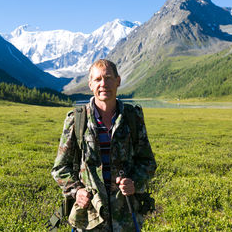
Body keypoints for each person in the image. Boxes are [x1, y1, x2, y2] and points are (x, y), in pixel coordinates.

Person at [51, 59, 157, 231]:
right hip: (89, 218)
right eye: (98, 79)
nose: (104, 84)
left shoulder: (133, 118)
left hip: (126, 218)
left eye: (108, 78)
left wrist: (134, 182)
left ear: (118, 81)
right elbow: (60, 168)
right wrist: (77, 191)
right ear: (90, 84)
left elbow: (148, 163)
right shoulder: (77, 120)